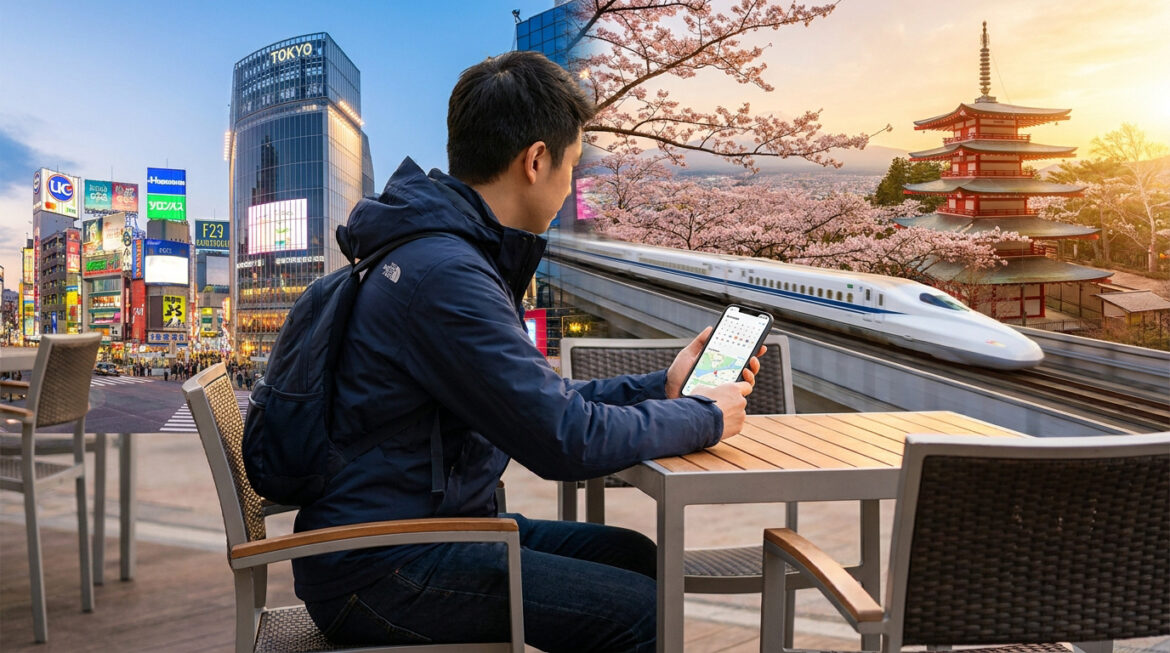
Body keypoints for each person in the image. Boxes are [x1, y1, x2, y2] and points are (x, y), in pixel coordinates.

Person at [293, 51, 761, 652]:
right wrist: (706, 416)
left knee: (634, 558)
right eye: (573, 166)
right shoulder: (446, 275)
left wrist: (661, 387)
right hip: (382, 565)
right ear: (536, 160)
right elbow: (563, 440)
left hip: (417, 531)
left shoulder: (446, 254)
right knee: (638, 612)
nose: (571, 186)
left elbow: (543, 401)